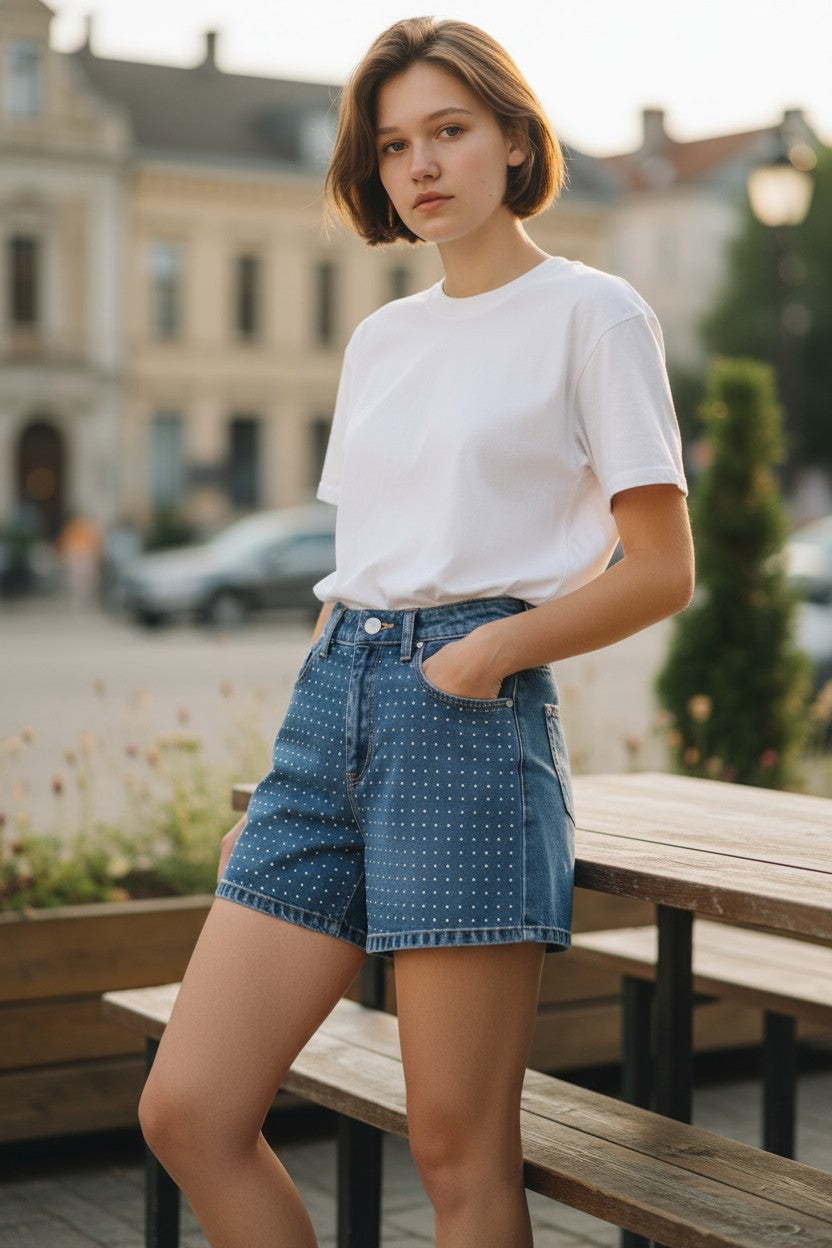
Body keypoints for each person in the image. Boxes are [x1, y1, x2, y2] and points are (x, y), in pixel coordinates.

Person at [138, 16, 694, 1247]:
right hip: (328, 715)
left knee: (455, 1155)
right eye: (394, 145)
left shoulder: (593, 313)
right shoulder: (381, 338)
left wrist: (489, 652)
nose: (421, 166)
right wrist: (289, 778)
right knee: (189, 1111)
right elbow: (363, 567)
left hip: (466, 721)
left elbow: (662, 571)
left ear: (514, 139)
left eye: (449, 131)